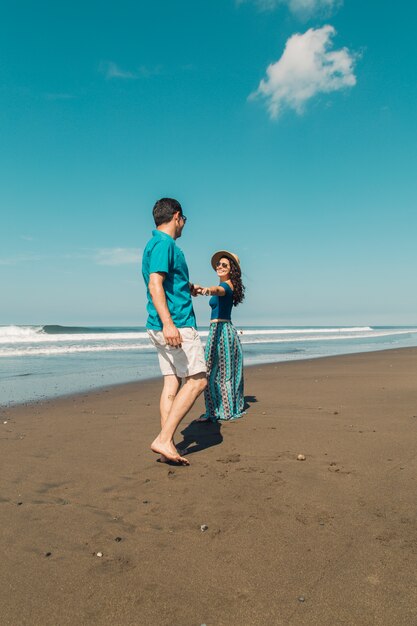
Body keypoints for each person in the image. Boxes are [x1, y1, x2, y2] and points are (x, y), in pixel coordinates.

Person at [142, 198, 207, 465]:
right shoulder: (164, 243)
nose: (184, 226)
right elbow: (155, 284)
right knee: (198, 379)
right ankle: (164, 439)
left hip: (159, 325)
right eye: (184, 220)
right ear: (177, 216)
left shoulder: (156, 244)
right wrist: (169, 323)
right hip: (176, 324)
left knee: (172, 380)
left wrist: (186, 286)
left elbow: (166, 281)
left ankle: (166, 443)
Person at [196, 251, 245, 422]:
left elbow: (217, 290)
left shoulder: (227, 286)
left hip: (222, 331)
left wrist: (205, 290)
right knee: (213, 371)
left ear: (232, 270)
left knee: (219, 372)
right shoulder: (225, 286)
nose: (220, 266)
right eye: (219, 264)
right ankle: (215, 409)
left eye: (225, 265)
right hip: (217, 330)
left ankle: (223, 410)